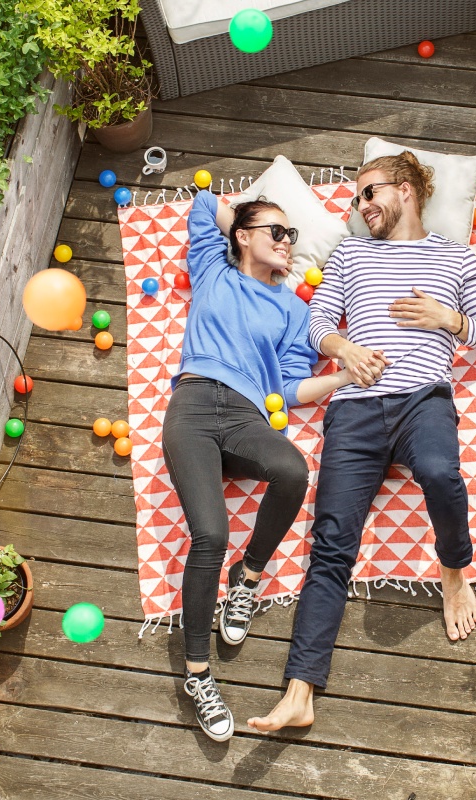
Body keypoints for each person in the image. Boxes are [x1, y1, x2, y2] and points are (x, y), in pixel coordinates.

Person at [249, 151, 476, 732]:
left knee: (442, 474)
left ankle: (453, 572)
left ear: (408, 190)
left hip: (423, 401)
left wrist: (450, 319)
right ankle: (299, 693)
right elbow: (317, 323)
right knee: (332, 541)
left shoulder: (456, 258)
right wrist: (343, 350)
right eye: (356, 198)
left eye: (370, 194)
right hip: (356, 411)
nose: (360, 206)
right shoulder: (350, 254)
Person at [163, 189, 353, 742]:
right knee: (210, 533)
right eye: (278, 231)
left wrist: (344, 374)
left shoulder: (296, 308)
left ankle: (247, 578)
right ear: (241, 237)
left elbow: (292, 388)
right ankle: (198, 674)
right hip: (194, 408)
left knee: (293, 471)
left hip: (248, 417)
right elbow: (203, 203)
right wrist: (247, 224)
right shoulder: (213, 269)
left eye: (293, 235)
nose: (288, 242)